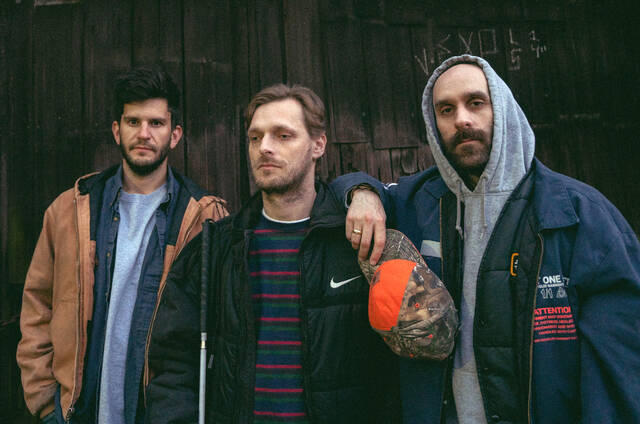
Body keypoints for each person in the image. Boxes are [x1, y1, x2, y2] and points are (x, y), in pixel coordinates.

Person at [332, 54, 640, 423]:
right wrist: (362, 192)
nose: (462, 119)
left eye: (476, 102)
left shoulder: (577, 212)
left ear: (503, 108)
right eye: (446, 110)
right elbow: (348, 186)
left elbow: (618, 362)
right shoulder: (419, 202)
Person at [146, 84, 399, 423]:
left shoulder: (359, 241)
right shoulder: (216, 248)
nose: (264, 147)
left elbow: (394, 370)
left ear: (318, 145)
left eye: (283, 136)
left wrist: (365, 190)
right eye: (255, 137)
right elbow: (173, 362)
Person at [16, 67, 229, 424]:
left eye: (156, 123)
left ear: (175, 135)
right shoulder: (69, 210)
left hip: (159, 415)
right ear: (117, 130)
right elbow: (37, 305)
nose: (144, 133)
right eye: (133, 122)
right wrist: (46, 404)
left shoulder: (205, 219)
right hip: (76, 413)